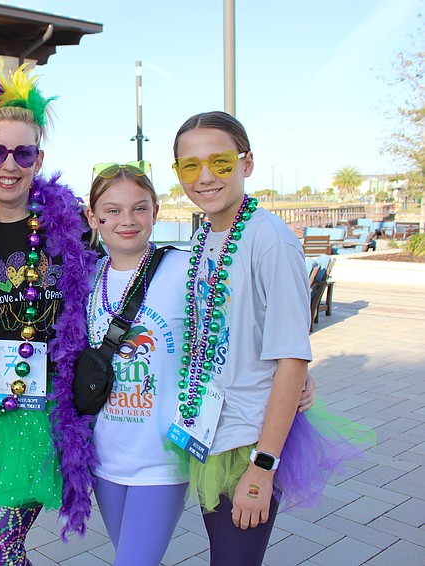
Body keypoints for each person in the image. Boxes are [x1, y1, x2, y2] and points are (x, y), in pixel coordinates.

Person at [170, 111, 371, 565]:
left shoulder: (270, 241)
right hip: (211, 433)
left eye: (220, 162)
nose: (204, 177)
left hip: (250, 443)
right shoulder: (207, 236)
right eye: (189, 165)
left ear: (247, 163)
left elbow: (292, 359)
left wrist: (262, 468)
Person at [0, 66, 98, 565]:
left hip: (48, 412)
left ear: (39, 160)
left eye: (23, 152)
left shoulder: (71, 226)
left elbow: (126, 281)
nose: (9, 164)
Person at [84, 162, 191, 565]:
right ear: (93, 218)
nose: (126, 220)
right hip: (104, 458)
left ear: (156, 212)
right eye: (111, 211)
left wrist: (296, 371)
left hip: (161, 459)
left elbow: (238, 325)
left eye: (139, 208)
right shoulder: (88, 275)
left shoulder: (184, 268)